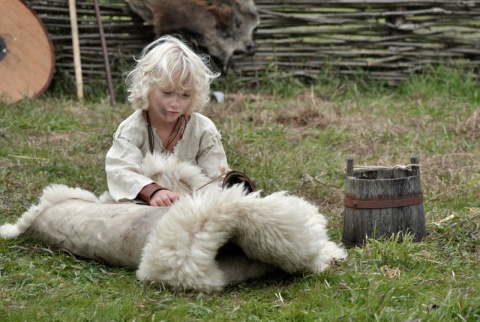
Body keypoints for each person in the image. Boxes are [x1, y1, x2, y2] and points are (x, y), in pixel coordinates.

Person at [105, 35, 229, 207]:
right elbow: (119, 169)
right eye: (167, 93)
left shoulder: (203, 130)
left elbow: (217, 176)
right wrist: (152, 191)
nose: (175, 103)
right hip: (144, 207)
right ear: (147, 87)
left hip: (191, 207)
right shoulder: (132, 129)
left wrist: (230, 189)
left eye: (185, 95)